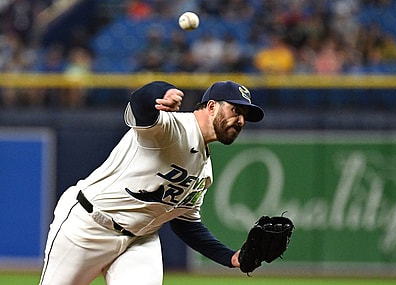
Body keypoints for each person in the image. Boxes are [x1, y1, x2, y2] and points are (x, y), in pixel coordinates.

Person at [39, 80, 264, 285]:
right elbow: (139, 104)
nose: (241, 120)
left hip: (139, 240)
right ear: (212, 106)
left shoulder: (205, 171)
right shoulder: (171, 129)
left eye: (245, 115)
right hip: (89, 226)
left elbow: (186, 223)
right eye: (236, 110)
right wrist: (161, 91)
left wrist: (231, 258)